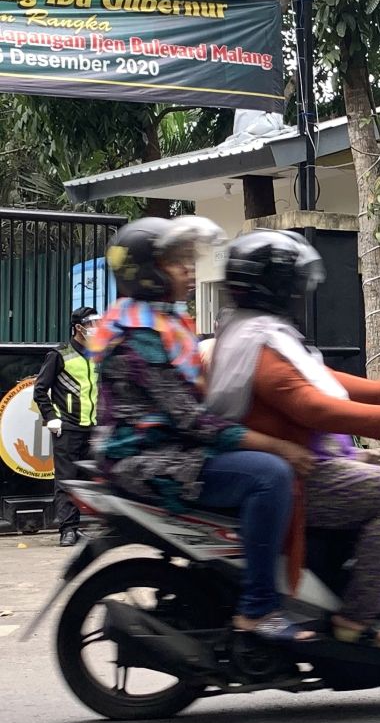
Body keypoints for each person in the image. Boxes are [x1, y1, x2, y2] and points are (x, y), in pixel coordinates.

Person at [207, 230, 380, 650]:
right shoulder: (256, 343)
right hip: (299, 472)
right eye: (294, 282)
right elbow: (311, 405)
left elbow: (321, 378)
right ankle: (358, 619)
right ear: (277, 286)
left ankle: (363, 588)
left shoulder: (254, 330)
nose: (301, 291)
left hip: (304, 457)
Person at [90, 217, 317, 643]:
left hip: (167, 448)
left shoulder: (160, 322)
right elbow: (194, 421)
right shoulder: (138, 337)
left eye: (188, 261)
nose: (189, 271)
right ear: (147, 273)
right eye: (177, 262)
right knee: (270, 476)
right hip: (147, 459)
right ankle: (258, 609)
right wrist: (280, 447)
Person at [34, 306, 101, 546]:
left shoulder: (98, 354)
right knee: (66, 479)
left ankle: (85, 525)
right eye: (91, 324)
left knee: (89, 478)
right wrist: (51, 416)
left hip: (92, 426)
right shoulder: (59, 354)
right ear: (78, 328)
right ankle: (68, 530)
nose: (95, 329)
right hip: (68, 427)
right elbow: (40, 389)